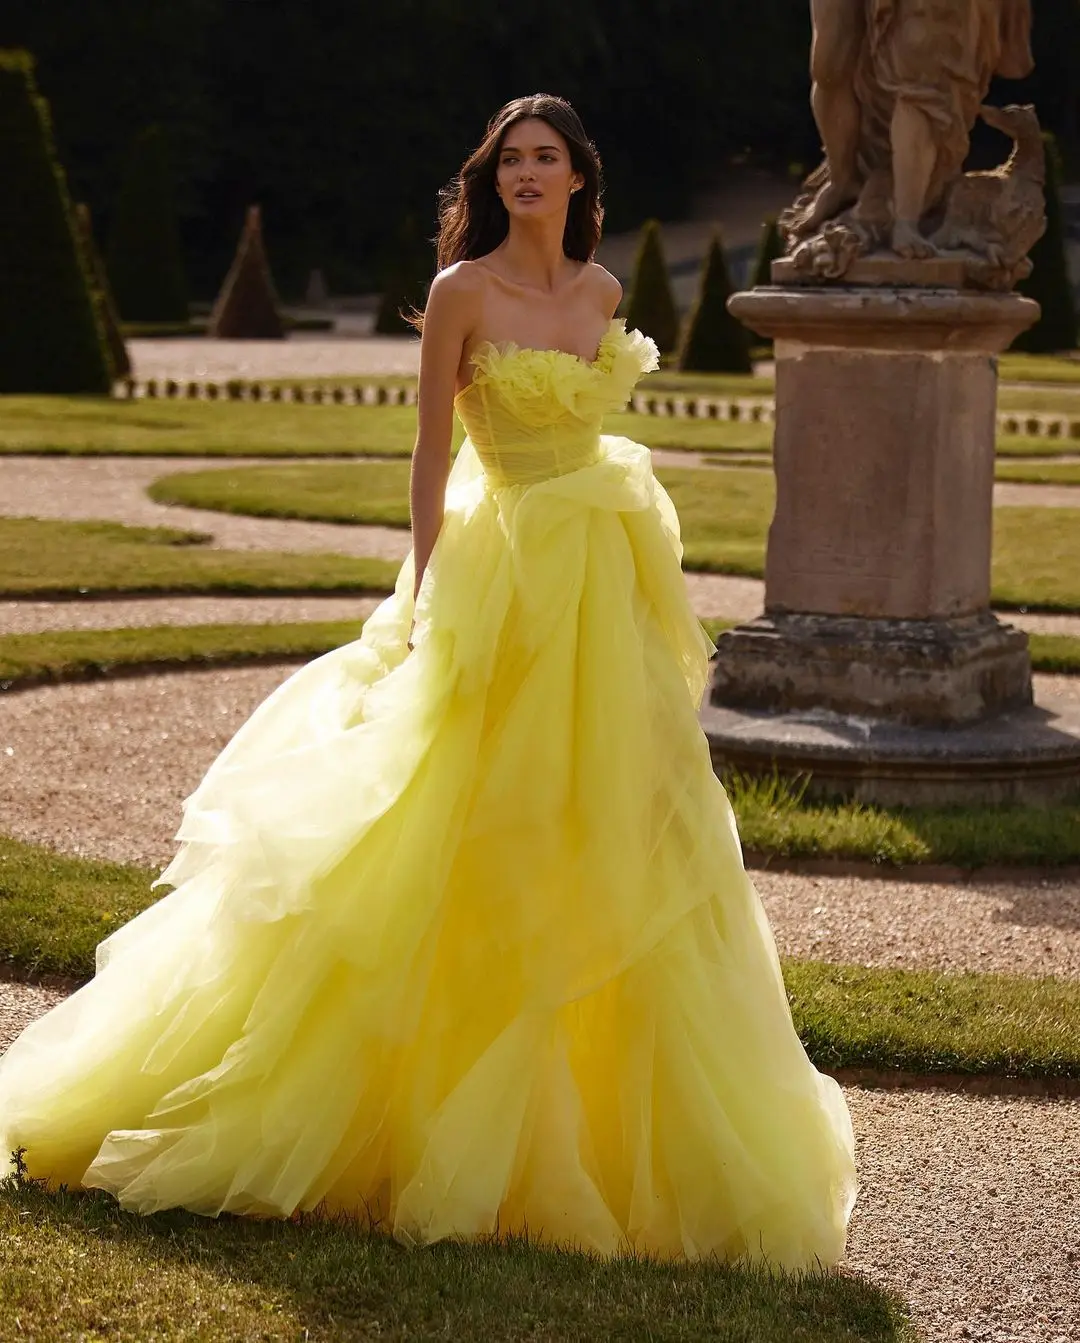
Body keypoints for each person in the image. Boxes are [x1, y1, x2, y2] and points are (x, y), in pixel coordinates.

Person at [0, 94, 857, 1265]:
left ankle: (598, 1128)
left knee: (611, 812)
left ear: (578, 177)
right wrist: (428, 580)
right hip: (502, 564)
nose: (529, 176)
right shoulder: (461, 294)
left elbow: (598, 435)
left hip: (600, 573)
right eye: (512, 160)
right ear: (490, 178)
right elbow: (431, 449)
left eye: (547, 159)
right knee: (457, 803)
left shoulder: (605, 292)